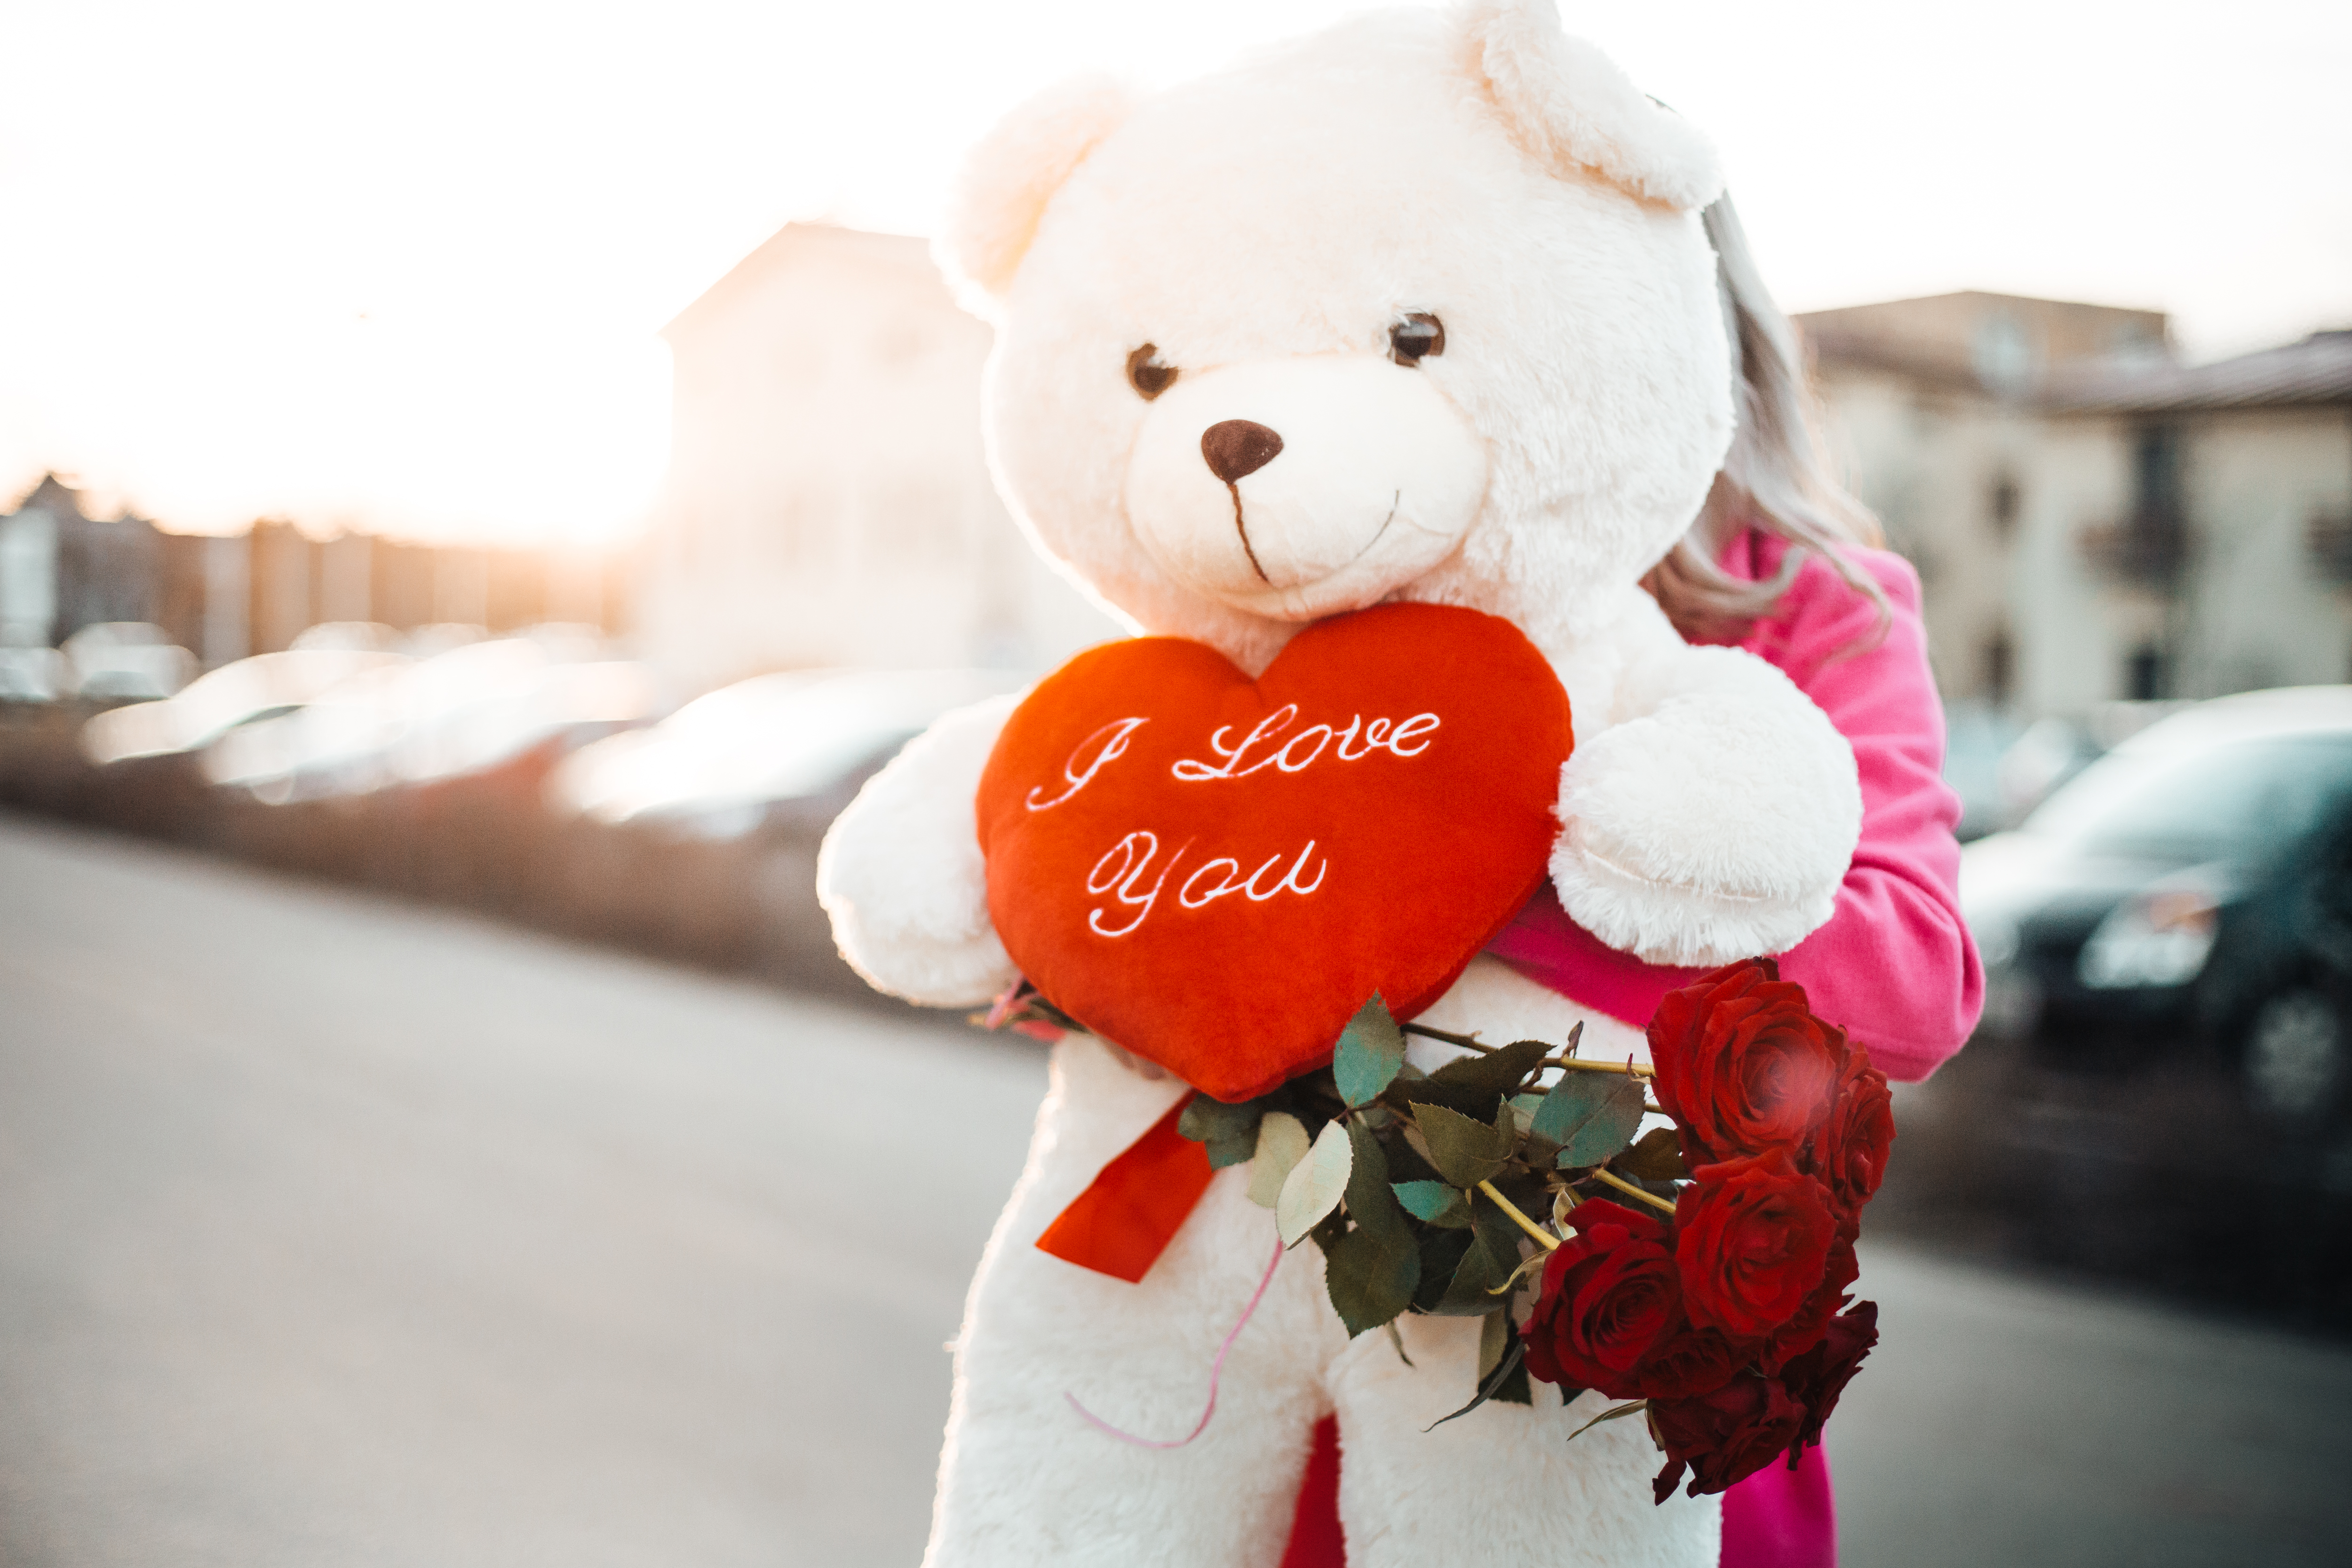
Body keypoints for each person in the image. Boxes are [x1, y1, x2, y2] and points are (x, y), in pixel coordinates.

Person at [1488, 194, 1986, 1568]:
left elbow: (1913, 980)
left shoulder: (1822, 605)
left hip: (1653, 1348)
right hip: (1327, 1342)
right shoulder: (1380, 578)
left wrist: (1479, 882)